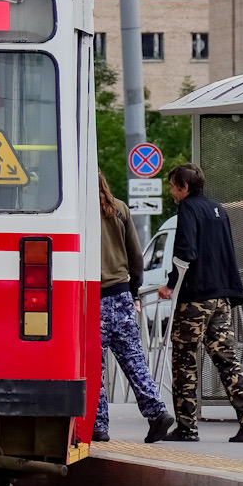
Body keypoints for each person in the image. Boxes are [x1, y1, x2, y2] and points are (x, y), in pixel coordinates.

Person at [158, 163, 243, 443]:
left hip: (195, 297)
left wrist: (171, 285)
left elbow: (185, 252)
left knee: (184, 361)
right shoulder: (219, 210)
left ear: (184, 187)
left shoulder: (188, 209)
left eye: (172, 186)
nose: (171, 192)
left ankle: (186, 427)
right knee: (226, 358)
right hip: (221, 298)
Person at [94, 172, 173, 444]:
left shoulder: (80, 213)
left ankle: (99, 426)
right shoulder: (120, 209)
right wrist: (134, 290)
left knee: (95, 365)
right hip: (121, 296)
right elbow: (136, 256)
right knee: (134, 360)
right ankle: (157, 413)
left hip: (92, 299)